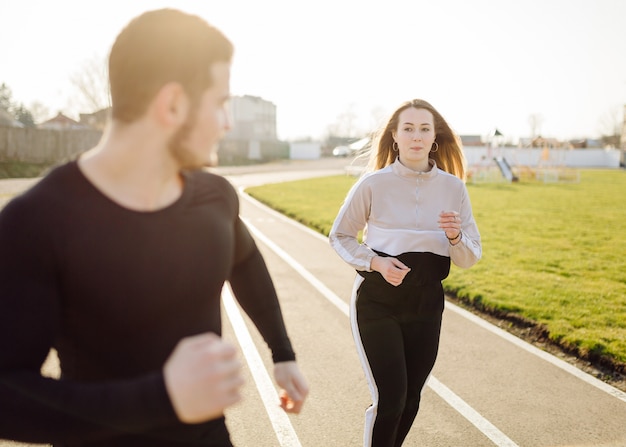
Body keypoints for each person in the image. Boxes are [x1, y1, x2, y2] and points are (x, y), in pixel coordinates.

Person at [0, 8, 308, 447]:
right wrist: (162, 398)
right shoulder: (37, 222)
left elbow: (244, 260)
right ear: (173, 105)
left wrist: (283, 354)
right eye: (220, 104)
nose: (227, 123)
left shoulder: (215, 197)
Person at [329, 99, 481, 447]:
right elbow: (339, 236)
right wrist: (376, 262)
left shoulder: (454, 188)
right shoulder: (372, 184)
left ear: (434, 137)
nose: (417, 136)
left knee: (411, 400)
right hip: (378, 302)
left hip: (427, 303)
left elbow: (470, 256)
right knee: (391, 399)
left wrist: (455, 236)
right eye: (408, 129)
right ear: (395, 137)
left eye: (424, 129)